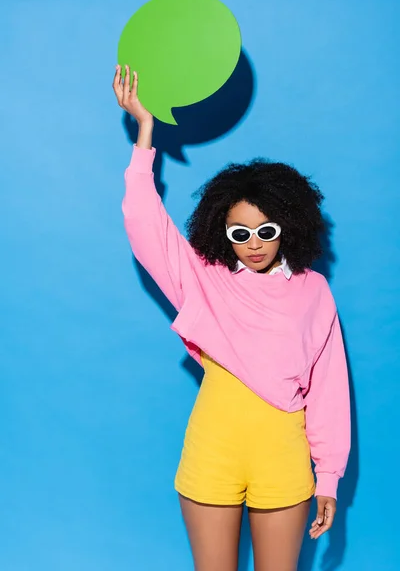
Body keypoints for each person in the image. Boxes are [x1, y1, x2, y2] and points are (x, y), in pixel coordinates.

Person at [113, 65, 351, 571]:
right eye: (240, 233)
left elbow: (328, 388)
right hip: (213, 449)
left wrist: (328, 477)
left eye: (266, 230)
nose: (255, 244)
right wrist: (144, 136)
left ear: (288, 225)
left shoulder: (313, 291)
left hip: (283, 456)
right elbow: (143, 222)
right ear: (223, 232)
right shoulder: (204, 279)